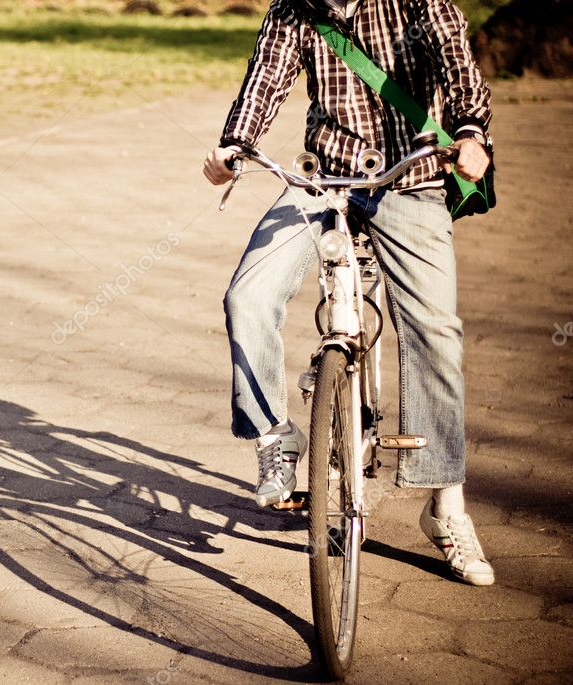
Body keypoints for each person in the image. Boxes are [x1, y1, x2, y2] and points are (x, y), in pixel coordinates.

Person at [202, 0, 494, 585]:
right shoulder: (296, 8)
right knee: (248, 296)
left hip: (409, 178)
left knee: (435, 333)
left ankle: (446, 509)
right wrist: (234, 145)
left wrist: (469, 133)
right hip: (323, 177)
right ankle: (275, 437)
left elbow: (458, 65)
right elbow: (266, 75)